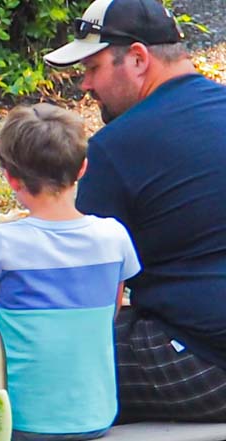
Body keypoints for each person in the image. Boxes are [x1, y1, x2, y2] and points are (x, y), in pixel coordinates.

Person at [45, 0, 226, 423]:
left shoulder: (116, 148)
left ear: (138, 59)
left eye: (93, 69)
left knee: (39, 359)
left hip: (205, 361)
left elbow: (74, 276)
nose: (85, 86)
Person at [0, 103, 141, 440]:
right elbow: (112, 311)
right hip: (96, 416)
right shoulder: (114, 237)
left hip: (20, 421)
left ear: (10, 177)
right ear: (82, 168)